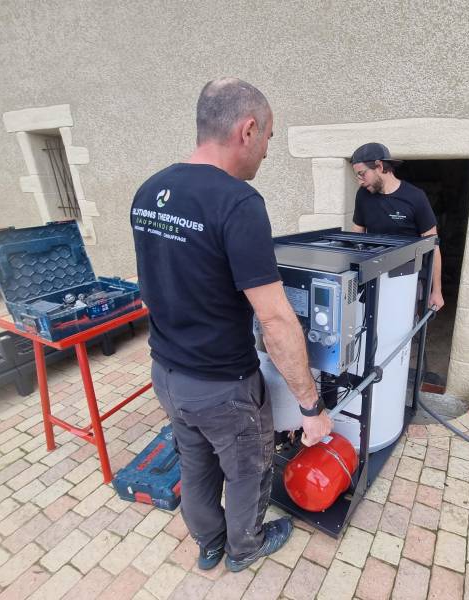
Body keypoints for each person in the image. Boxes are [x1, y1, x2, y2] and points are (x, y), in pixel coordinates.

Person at [130, 78, 332, 573]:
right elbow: (275, 319)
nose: (266, 152)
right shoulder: (238, 203)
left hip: (168, 374)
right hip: (223, 385)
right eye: (268, 138)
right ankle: (245, 547)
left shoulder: (149, 190)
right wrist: (311, 406)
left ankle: (209, 543)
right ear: (247, 129)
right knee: (248, 468)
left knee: (195, 461)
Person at [350, 143, 445, 311]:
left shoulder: (415, 197)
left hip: (408, 278)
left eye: (362, 174)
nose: (360, 181)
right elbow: (356, 236)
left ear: (379, 166)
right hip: (374, 275)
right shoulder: (363, 195)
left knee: (403, 329)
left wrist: (436, 291)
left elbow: (433, 246)